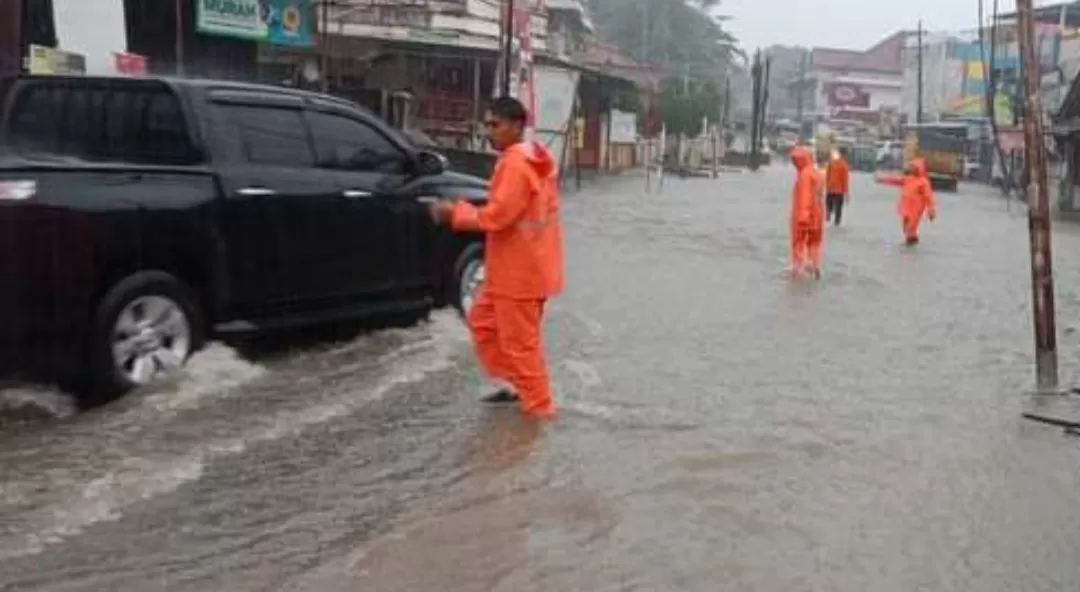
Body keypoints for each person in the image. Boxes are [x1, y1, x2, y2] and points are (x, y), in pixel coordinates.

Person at [429, 97, 564, 419]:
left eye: (495, 124)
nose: (488, 131)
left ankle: (539, 415)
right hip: (516, 269)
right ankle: (515, 386)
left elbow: (498, 217)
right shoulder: (531, 158)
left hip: (520, 275)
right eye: (487, 124)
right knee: (483, 322)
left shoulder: (516, 164)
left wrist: (453, 213)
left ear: (516, 125)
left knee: (521, 347)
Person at [876, 157, 937, 245]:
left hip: (916, 209)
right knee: (905, 228)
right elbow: (895, 181)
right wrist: (882, 180)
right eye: (911, 167)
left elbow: (928, 197)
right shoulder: (908, 179)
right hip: (906, 208)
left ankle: (910, 244)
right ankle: (911, 244)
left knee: (910, 228)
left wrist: (931, 210)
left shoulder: (923, 182)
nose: (911, 169)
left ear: (919, 169)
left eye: (913, 167)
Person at [789, 146, 825, 278]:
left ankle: (798, 270)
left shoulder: (804, 175)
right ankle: (814, 265)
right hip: (818, 217)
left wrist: (802, 217)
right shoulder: (818, 174)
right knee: (814, 244)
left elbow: (804, 197)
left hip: (804, 217)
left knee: (798, 244)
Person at [825, 147, 850, 226]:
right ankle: (837, 222)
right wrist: (846, 193)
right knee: (838, 208)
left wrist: (827, 186)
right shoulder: (844, 165)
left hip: (830, 188)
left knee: (828, 204)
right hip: (839, 190)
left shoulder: (831, 162)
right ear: (844, 155)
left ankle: (828, 213)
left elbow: (827, 175)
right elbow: (845, 180)